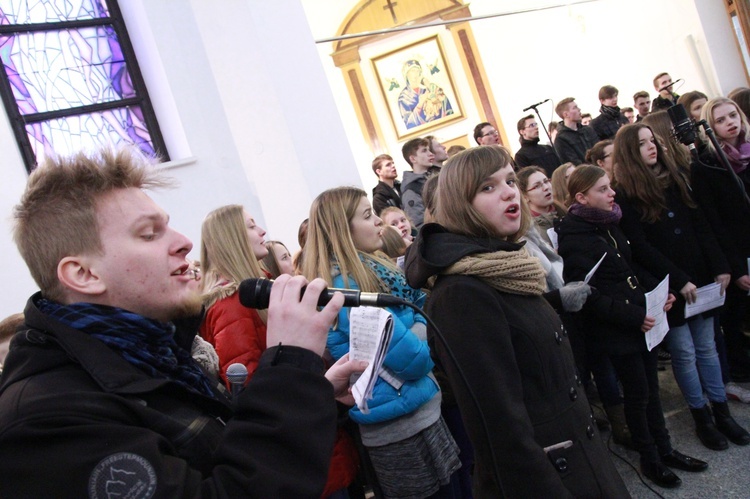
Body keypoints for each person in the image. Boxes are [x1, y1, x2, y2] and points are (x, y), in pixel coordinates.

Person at [0, 146, 363, 497]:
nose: (185, 243)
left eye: (168, 227)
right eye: (148, 234)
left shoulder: (150, 353)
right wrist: (290, 365)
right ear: (83, 273)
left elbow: (218, 451)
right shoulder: (48, 420)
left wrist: (313, 395)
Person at [404, 145, 629, 498]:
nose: (509, 191)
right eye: (487, 187)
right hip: (550, 474)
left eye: (510, 180)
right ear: (459, 204)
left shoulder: (509, 266)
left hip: (578, 454)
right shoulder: (462, 293)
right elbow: (499, 427)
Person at [302, 187, 461, 499]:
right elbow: (414, 359)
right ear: (341, 230)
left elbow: (418, 306)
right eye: (366, 215)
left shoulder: (374, 269)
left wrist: (413, 319)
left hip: (418, 411)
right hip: (399, 429)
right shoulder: (344, 289)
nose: (378, 222)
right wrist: (420, 321)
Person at [557, 165, 708, 488]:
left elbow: (629, 264)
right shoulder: (574, 235)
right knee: (637, 395)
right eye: (602, 189)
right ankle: (650, 458)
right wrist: (633, 316)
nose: (611, 194)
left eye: (609, 187)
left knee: (651, 390)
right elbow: (589, 294)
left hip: (641, 319)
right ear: (582, 197)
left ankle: (665, 449)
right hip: (619, 328)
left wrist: (659, 292)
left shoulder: (609, 222)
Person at [613, 123, 750, 450]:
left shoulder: (674, 179)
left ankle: (721, 411)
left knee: (707, 347)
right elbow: (642, 248)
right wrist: (678, 279)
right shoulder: (625, 194)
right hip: (670, 287)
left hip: (701, 275)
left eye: (652, 141)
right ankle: (701, 416)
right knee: (684, 353)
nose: (652, 148)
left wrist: (720, 266)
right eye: (643, 143)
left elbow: (700, 224)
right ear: (631, 151)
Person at [694, 97, 750, 393]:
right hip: (739, 253)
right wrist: (736, 267)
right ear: (709, 128)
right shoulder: (707, 165)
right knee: (739, 321)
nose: (730, 123)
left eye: (733, 115)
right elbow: (715, 224)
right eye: (721, 120)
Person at [199, 205, 270, 385]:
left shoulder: (252, 292)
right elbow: (244, 381)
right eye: (252, 226)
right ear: (233, 239)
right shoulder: (231, 303)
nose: (262, 232)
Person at [398, 60, 454, 129]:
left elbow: (444, 104)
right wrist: (420, 104)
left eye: (417, 71)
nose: (415, 74)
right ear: (406, 74)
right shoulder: (404, 97)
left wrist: (441, 98)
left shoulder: (426, 88)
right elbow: (409, 124)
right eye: (412, 71)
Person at [401, 137, 438, 229]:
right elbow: (419, 224)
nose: (430, 154)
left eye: (429, 150)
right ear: (413, 159)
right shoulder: (411, 190)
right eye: (424, 151)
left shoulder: (435, 176)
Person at [554, 97, 599, 165]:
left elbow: (599, 149)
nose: (579, 109)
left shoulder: (587, 130)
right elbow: (573, 163)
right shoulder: (561, 139)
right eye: (575, 107)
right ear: (566, 114)